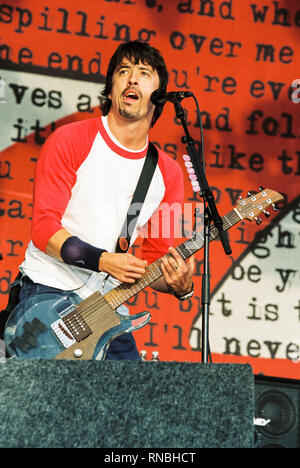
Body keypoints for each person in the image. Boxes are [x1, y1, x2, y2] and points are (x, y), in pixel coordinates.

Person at [16, 40, 194, 360]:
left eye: (144, 73)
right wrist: (103, 260)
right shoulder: (69, 140)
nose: (132, 78)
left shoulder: (170, 174)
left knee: (136, 406)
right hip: (46, 296)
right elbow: (43, 230)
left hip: (105, 307)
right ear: (110, 91)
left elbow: (159, 259)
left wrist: (181, 286)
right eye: (123, 71)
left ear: (159, 96)